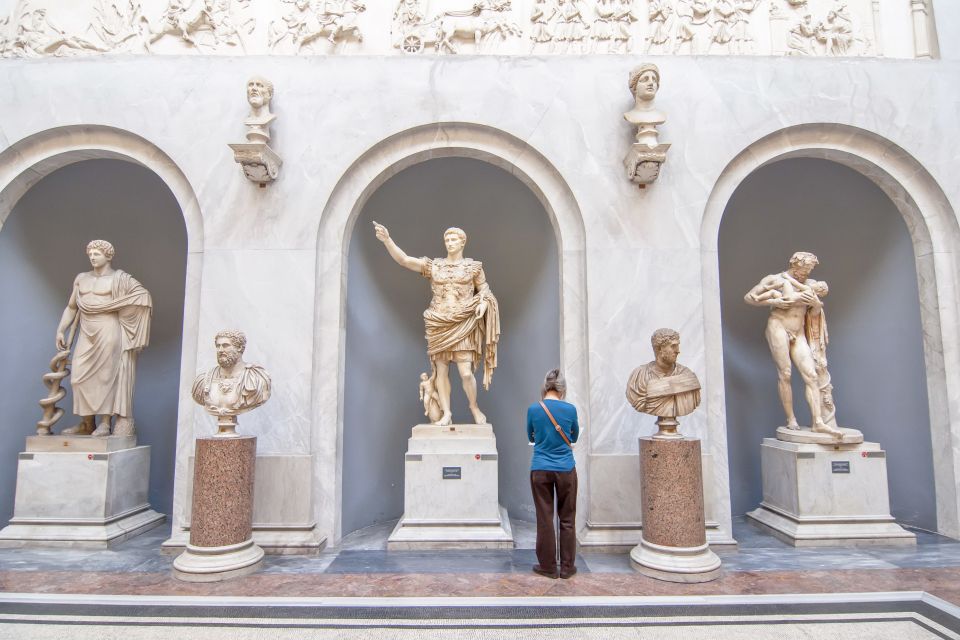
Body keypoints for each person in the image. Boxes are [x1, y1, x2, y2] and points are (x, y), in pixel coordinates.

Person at [373, 222, 500, 426]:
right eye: (447, 240)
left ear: (462, 242)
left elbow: (485, 291)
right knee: (441, 371)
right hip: (438, 322)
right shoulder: (435, 266)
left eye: (454, 240)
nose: (449, 243)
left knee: (466, 373)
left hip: (463, 322)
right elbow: (405, 260)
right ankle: (447, 413)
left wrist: (484, 304)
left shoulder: (474, 267)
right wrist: (387, 240)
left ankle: (474, 406)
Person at [56, 240, 152, 437]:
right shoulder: (81, 278)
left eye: (96, 253)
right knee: (78, 377)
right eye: (90, 253)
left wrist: (123, 307)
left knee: (106, 376)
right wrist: (61, 330)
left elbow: (143, 297)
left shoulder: (120, 279)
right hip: (86, 330)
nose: (92, 256)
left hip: (108, 329)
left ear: (108, 256)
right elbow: (72, 307)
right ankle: (86, 423)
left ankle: (105, 423)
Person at [744, 251, 843, 438]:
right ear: (795, 265)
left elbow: (814, 312)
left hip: (798, 332)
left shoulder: (811, 285)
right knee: (786, 373)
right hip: (778, 326)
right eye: (804, 268)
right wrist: (775, 301)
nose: (806, 272)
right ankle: (791, 419)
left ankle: (818, 422)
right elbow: (749, 297)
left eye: (810, 269)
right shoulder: (776, 280)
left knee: (811, 375)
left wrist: (816, 303)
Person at [527, 369, 579, 579]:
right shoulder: (570, 409)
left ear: (545, 387)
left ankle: (547, 567)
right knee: (567, 518)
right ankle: (567, 567)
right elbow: (573, 436)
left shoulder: (533, 409)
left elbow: (529, 434)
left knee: (545, 518)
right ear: (562, 389)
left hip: (540, 468)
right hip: (566, 468)